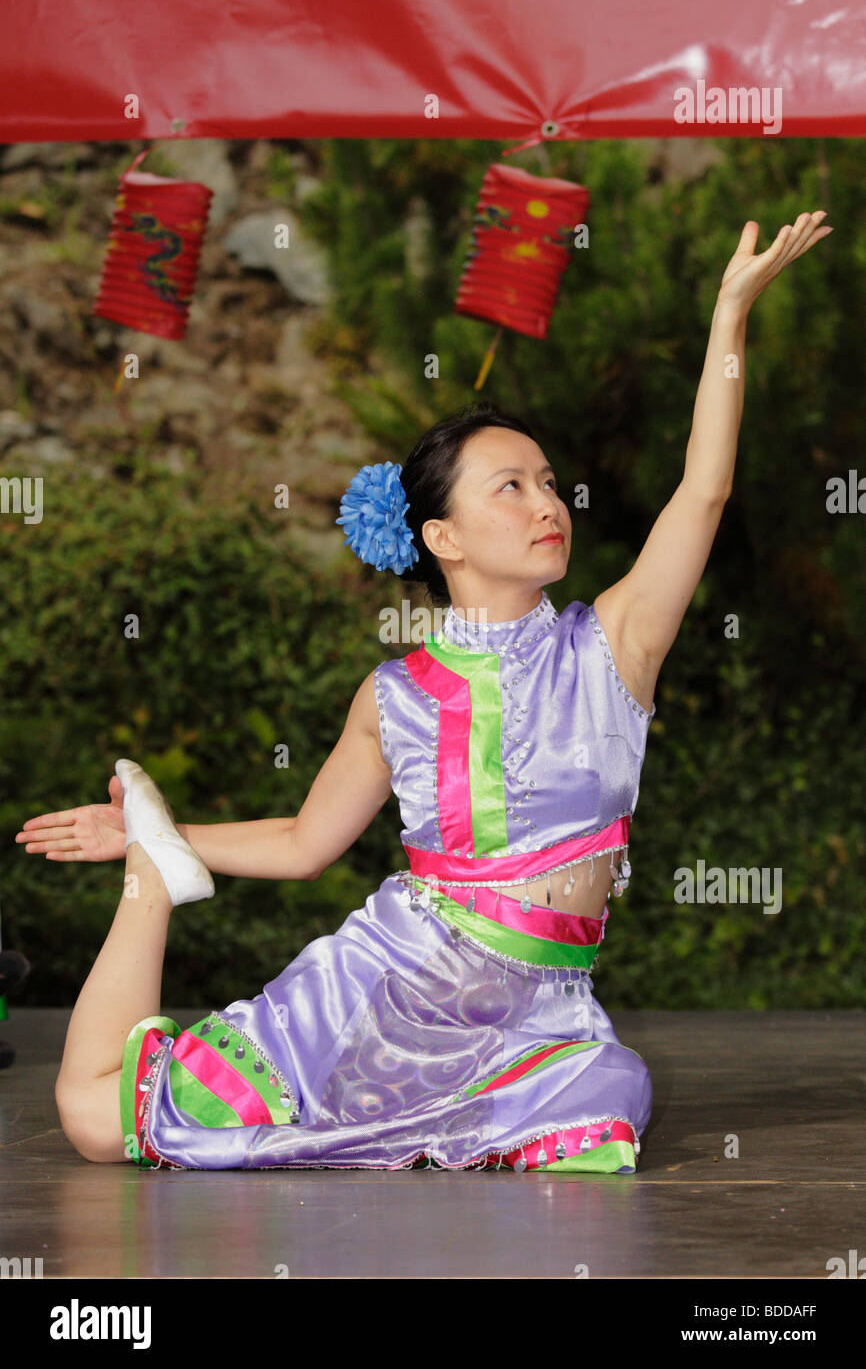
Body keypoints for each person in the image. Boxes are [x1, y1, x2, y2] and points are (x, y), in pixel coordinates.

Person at [16, 211, 831, 1171]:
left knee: (609, 1099)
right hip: (386, 987)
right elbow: (305, 844)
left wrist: (730, 314)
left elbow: (703, 490)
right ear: (440, 538)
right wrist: (158, 838)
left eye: (549, 481)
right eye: (510, 488)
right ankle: (146, 884)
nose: (546, 503)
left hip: (538, 1020)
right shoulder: (395, 693)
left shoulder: (613, 645)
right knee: (98, 1122)